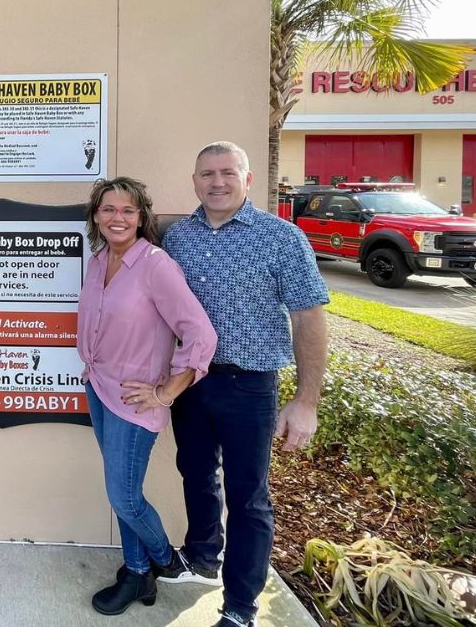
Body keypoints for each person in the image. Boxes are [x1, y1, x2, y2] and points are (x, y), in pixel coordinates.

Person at [153, 142, 328, 627]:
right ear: (194, 181)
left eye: (228, 173)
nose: (217, 182)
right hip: (189, 382)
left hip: (250, 386)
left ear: (248, 180)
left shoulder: (281, 238)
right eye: (206, 173)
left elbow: (308, 319)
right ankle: (202, 555)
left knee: (248, 495)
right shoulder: (179, 238)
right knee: (195, 472)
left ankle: (239, 604)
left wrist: (306, 401)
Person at [77, 177, 217, 616]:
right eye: (108, 209)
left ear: (142, 218)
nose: (117, 218)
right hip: (99, 388)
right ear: (96, 216)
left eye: (127, 211)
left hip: (136, 401)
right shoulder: (99, 261)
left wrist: (167, 391)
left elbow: (200, 333)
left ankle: (163, 558)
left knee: (124, 496)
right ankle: (137, 573)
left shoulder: (156, 265)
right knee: (123, 487)